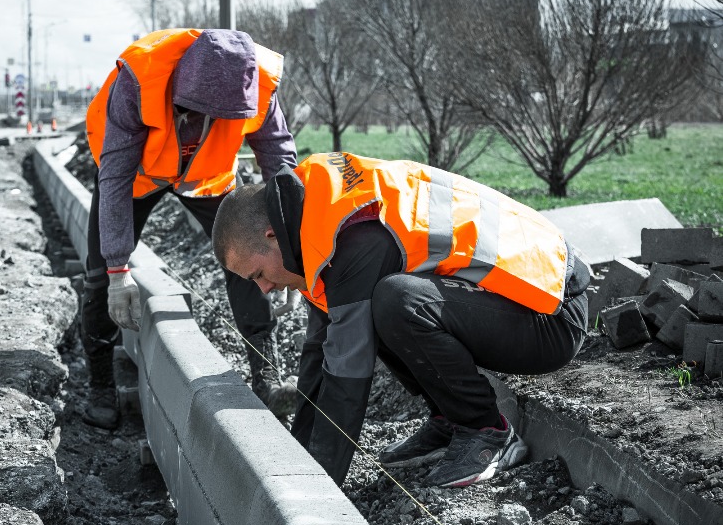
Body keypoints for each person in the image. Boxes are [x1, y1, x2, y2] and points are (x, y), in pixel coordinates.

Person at [211, 152, 590, 487]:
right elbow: (319, 355)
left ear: (272, 236)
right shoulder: (312, 222)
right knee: (382, 305)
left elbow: (348, 375)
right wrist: (298, 457)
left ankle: (486, 430)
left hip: (551, 315)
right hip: (510, 302)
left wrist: (315, 488)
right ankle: (450, 419)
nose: (263, 290)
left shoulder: (353, 237)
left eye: (257, 275)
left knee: (395, 302)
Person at [81, 28, 299, 429]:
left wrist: (293, 252)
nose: (202, 123)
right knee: (98, 279)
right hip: (136, 176)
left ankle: (267, 379)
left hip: (206, 178)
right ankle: (99, 386)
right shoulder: (139, 80)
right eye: (194, 113)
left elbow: (280, 164)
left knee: (252, 256)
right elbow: (113, 176)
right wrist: (116, 270)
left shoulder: (258, 84)